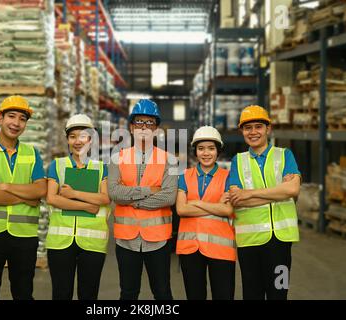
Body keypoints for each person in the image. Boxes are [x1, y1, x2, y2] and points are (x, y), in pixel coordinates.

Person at [0, 95, 47, 300]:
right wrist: (26, 198)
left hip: (24, 238)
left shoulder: (33, 154)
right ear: (0, 118)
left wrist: (6, 187)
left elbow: (41, 190)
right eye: (11, 116)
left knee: (23, 294)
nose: (16, 123)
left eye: (22, 118)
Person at [226, 105, 301, 300]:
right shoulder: (237, 161)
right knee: (252, 294)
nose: (253, 132)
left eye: (258, 126)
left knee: (280, 292)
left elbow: (292, 190)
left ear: (268, 129)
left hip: (282, 241)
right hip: (249, 243)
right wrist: (279, 192)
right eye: (247, 128)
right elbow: (235, 198)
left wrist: (249, 194)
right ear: (242, 131)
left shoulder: (285, 155)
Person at [108, 99, 178, 300]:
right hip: (126, 239)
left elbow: (169, 196)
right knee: (128, 293)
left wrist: (130, 198)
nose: (144, 127)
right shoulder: (116, 158)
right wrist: (149, 190)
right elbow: (114, 192)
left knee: (162, 293)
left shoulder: (170, 160)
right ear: (131, 127)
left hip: (158, 239)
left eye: (149, 123)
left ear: (156, 129)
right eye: (139, 122)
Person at [45, 114, 111, 300]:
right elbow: (52, 198)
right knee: (61, 293)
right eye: (72, 136)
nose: (77, 141)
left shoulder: (100, 168)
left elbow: (105, 198)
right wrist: (87, 206)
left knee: (89, 294)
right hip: (60, 242)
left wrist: (73, 194)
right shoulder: (57, 165)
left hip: (93, 243)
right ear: (67, 139)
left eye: (83, 136)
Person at [176, 126, 236, 300]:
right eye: (201, 148)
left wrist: (196, 203)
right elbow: (181, 209)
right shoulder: (184, 176)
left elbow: (228, 209)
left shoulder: (229, 176)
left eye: (211, 148)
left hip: (221, 249)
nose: (206, 153)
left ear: (218, 151)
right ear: (195, 151)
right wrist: (215, 206)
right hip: (190, 249)